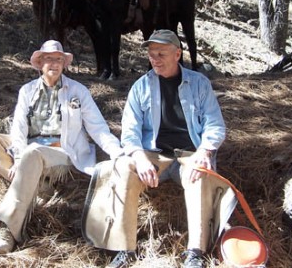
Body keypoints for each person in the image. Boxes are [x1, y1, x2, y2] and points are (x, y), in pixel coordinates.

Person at [83, 29, 226, 268]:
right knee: (125, 167)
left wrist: (204, 152)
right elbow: (130, 132)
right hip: (155, 153)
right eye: (151, 54)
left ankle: (195, 252)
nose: (155, 59)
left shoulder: (199, 83)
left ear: (177, 54)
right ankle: (125, 248)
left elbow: (215, 125)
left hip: (190, 153)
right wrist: (139, 157)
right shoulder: (141, 87)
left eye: (161, 53)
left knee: (200, 176)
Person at [0, 39, 123, 254]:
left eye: (58, 59)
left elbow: (98, 128)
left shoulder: (78, 91)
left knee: (33, 153)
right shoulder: (27, 91)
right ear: (39, 63)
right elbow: (18, 128)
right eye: (48, 59)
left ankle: (7, 229)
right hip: (29, 146)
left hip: (62, 151)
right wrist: (17, 157)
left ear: (64, 64)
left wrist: (117, 152)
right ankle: (35, 181)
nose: (53, 63)